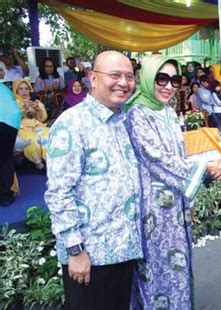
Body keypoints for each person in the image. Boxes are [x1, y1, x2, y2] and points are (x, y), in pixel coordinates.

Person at [124, 55, 221, 309]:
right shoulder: (137, 114)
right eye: (161, 78)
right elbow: (157, 159)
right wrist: (204, 168)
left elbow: (179, 157)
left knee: (178, 269)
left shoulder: (169, 113)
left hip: (177, 206)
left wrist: (188, 201)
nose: (168, 86)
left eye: (174, 80)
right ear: (147, 78)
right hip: (154, 212)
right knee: (156, 272)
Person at [45, 51, 142, 309]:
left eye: (130, 76)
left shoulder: (122, 120)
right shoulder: (72, 124)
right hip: (91, 259)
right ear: (92, 78)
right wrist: (75, 252)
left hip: (123, 250)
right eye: (115, 75)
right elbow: (59, 193)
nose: (124, 82)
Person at [13, 79, 50, 170]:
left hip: (37, 126)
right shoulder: (13, 103)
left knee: (48, 135)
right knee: (32, 139)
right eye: (21, 89)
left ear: (30, 90)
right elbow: (13, 120)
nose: (24, 91)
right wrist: (24, 109)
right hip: (22, 128)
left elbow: (43, 118)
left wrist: (37, 108)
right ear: (16, 91)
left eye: (26, 88)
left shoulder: (36, 102)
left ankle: (49, 160)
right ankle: (38, 162)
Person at [0, 83, 21, 206]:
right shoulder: (3, 87)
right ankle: (5, 194)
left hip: (8, 119)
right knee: (6, 157)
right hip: (11, 121)